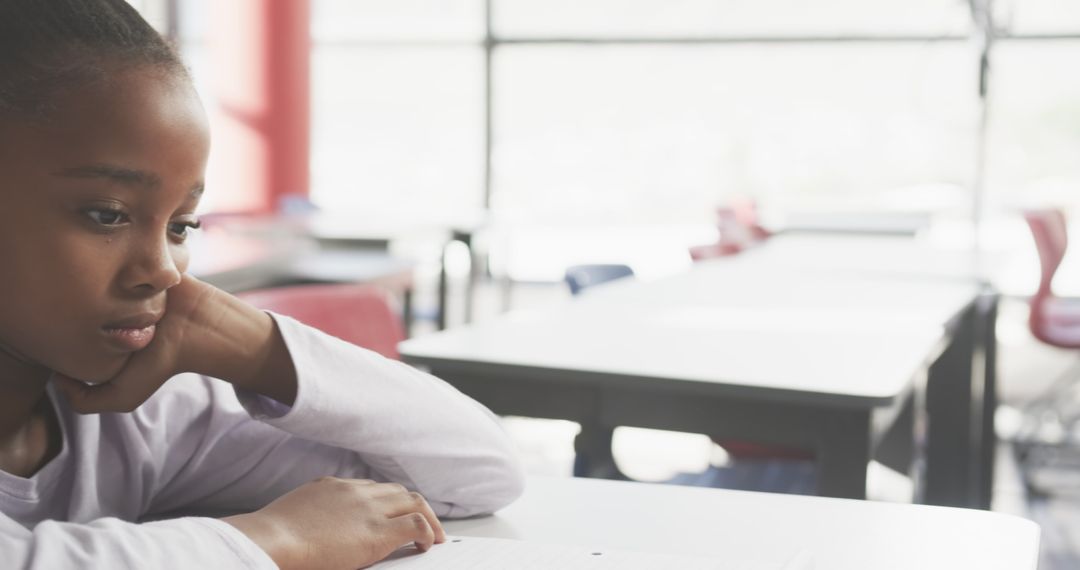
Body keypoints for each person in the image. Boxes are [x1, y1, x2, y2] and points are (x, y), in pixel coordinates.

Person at [0, 1, 525, 568]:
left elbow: (476, 474)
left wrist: (252, 343)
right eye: (107, 214)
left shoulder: (134, 417)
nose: (165, 270)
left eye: (181, 225)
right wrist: (280, 539)